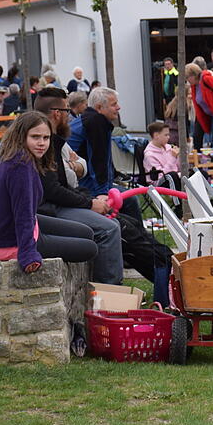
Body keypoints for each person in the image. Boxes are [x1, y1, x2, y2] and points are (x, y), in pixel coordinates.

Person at [0, 111, 98, 274]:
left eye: (46, 138)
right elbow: (22, 212)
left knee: (87, 232)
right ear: (21, 136)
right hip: (9, 242)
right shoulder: (20, 165)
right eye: (35, 137)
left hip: (13, 228)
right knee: (90, 248)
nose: (42, 143)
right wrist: (28, 253)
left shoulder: (16, 156)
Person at [33, 89, 125, 285]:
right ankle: (109, 293)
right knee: (108, 229)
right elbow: (52, 190)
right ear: (57, 113)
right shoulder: (44, 143)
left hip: (52, 205)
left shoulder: (50, 139)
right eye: (68, 111)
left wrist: (87, 199)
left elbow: (72, 173)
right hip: (47, 210)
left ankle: (107, 291)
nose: (71, 117)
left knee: (111, 224)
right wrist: (90, 203)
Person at [69, 86, 141, 221]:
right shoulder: (96, 122)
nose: (119, 107)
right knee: (130, 202)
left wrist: (113, 174)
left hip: (82, 181)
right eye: (114, 104)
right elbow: (97, 159)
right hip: (84, 185)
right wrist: (102, 192)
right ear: (99, 107)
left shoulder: (88, 118)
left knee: (128, 201)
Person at [184, 62, 213, 150]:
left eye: (187, 77)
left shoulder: (206, 78)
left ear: (193, 75)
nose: (187, 80)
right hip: (212, 116)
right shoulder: (195, 86)